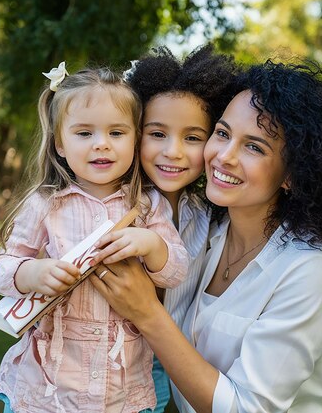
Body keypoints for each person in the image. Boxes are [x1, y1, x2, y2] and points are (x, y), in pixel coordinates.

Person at [91, 60, 322, 412]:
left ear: (293, 174)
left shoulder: (311, 271)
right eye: (222, 133)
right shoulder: (206, 232)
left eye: (254, 147)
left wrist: (147, 313)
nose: (224, 156)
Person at [0, 63, 188, 413]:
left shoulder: (146, 205)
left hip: (121, 389)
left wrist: (152, 244)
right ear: (60, 145)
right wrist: (31, 274)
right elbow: (2, 267)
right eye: (84, 133)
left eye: (116, 132)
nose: (101, 145)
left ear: (135, 139)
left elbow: (176, 271)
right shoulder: (45, 204)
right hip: (49, 387)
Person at [104, 44, 238, 412]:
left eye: (192, 138)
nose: (173, 152)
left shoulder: (207, 213)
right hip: (107, 372)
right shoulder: (117, 207)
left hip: (172, 368)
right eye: (157, 133)